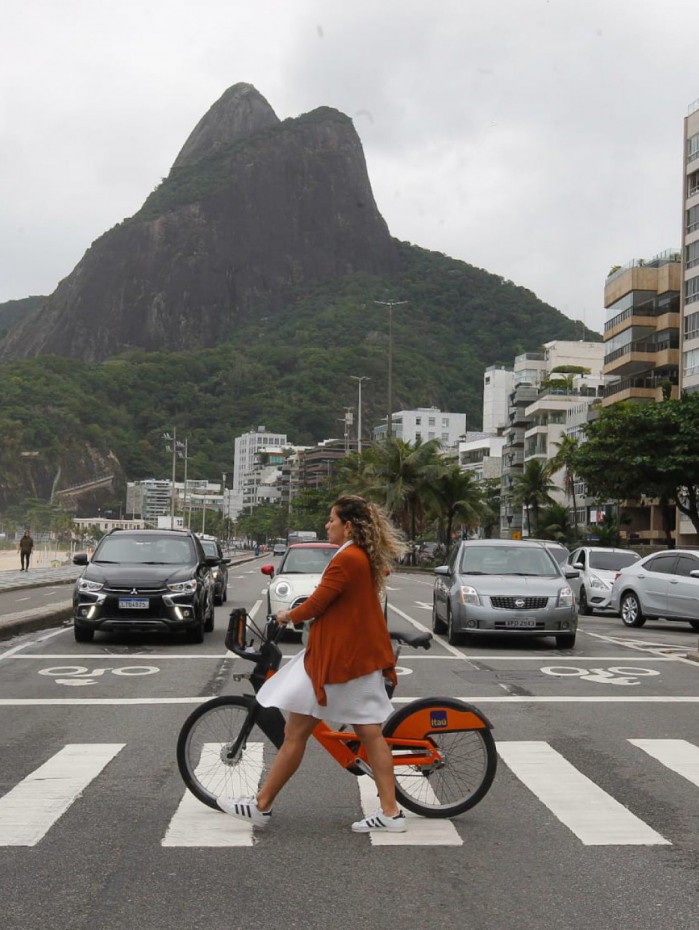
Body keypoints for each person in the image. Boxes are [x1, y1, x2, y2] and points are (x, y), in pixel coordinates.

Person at [218, 494, 407, 833]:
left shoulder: (348, 557)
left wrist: (288, 614)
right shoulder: (353, 555)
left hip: (346, 662)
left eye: (331, 519)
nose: (326, 525)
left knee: (368, 732)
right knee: (298, 731)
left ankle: (391, 812)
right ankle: (262, 805)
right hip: (335, 657)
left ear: (347, 525)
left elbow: (319, 600)